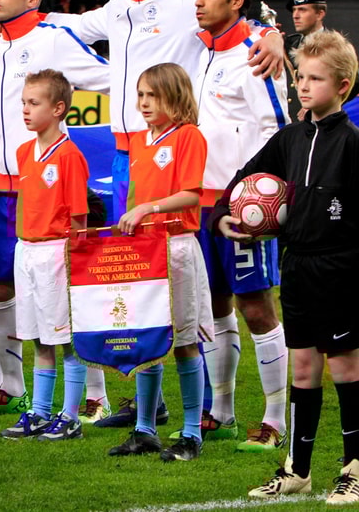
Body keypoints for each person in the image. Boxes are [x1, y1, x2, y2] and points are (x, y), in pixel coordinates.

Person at [45, 0, 284, 428]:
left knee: (230, 296)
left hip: (190, 164)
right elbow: (72, 25)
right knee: (146, 285)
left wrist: (272, 33)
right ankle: (150, 404)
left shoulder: (184, 3)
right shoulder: (115, 5)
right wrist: (13, 25)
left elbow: (243, 15)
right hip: (130, 159)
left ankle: (238, 413)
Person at [213, 31, 359, 504]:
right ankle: (297, 469)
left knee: (345, 367)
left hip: (340, 268)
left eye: (316, 79)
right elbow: (243, 178)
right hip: (295, 264)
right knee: (302, 366)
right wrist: (222, 215)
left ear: (342, 85)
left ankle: (354, 468)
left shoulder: (353, 143)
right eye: (301, 77)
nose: (305, 86)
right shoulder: (291, 138)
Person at [0, 0, 110, 420]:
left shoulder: (52, 37)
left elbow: (109, 78)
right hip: (0, 184)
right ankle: (14, 386)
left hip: (44, 186)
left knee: (63, 295)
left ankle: (94, 394)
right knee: (0, 284)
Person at [191, 0, 291, 453]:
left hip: (240, 205)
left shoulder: (254, 55)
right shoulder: (199, 50)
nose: (199, 0)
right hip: (203, 202)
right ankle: (222, 412)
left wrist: (253, 198)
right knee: (212, 306)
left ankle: (275, 421)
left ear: (236, 3)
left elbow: (279, 129)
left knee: (256, 307)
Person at [109, 63, 213, 462]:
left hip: (177, 246)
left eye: (153, 94)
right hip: (145, 248)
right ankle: (145, 430)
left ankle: (190, 434)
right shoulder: (139, 140)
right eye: (140, 94)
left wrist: (148, 208)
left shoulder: (189, 136)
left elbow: (192, 195)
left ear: (175, 95)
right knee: (147, 340)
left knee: (185, 342)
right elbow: (137, 193)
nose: (144, 103)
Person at [0, 70, 90, 442]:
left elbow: (80, 217)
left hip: (57, 252)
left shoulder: (69, 155)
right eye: (23, 102)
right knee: (37, 335)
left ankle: (70, 415)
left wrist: (75, 259)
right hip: (27, 249)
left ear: (58, 109)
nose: (25, 109)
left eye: (33, 103)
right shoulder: (24, 152)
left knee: (65, 337)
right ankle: (39, 411)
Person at [283, 0, 329, 120]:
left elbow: (354, 81)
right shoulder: (288, 43)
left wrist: (321, 104)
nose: (295, 15)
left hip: (320, 120)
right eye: (294, 10)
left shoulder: (334, 45)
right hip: (290, 120)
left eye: (302, 10)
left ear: (320, 14)